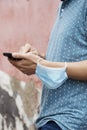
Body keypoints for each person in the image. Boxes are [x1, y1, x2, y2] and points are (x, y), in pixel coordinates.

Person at [8, 0, 87, 129]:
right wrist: (39, 58)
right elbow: (73, 55)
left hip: (73, 121)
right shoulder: (63, 6)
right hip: (50, 118)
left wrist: (42, 64)